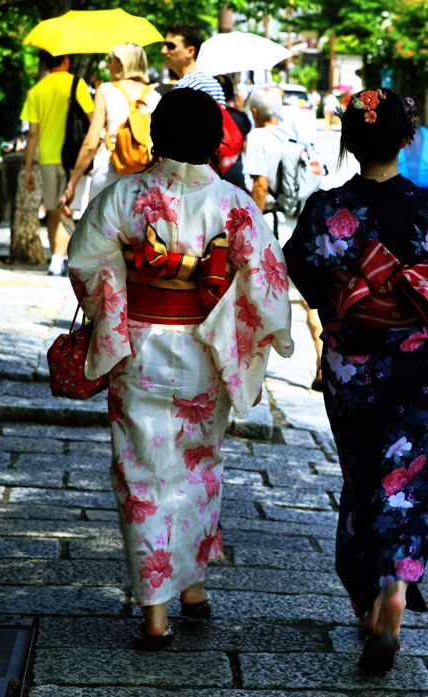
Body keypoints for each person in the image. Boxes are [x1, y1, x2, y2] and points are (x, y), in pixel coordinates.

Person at [282, 88, 428, 674]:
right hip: (417, 365)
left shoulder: (326, 208)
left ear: (349, 141)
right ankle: (397, 585)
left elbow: (301, 265)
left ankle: (367, 600)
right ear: (407, 139)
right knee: (405, 476)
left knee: (363, 478)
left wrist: (345, 301)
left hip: (352, 365)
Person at [66, 87, 294, 651]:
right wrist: (260, 335)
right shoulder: (234, 204)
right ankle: (190, 588)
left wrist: (115, 306)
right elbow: (267, 286)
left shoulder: (125, 196)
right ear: (216, 139)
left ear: (158, 135)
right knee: (198, 465)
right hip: (205, 351)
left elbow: (85, 261)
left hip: (138, 346)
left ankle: (158, 611)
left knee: (141, 474)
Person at [60, 43, 161, 217]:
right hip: (146, 176)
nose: (107, 65)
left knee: (100, 237)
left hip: (109, 171)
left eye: (109, 60)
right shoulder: (155, 96)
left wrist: (72, 183)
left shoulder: (106, 90)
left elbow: (91, 144)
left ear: (122, 63)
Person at [21, 50, 95, 276]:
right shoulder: (77, 84)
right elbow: (92, 119)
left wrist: (27, 170)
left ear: (44, 62)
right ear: (66, 60)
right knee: (68, 210)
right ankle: (58, 259)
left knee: (53, 210)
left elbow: (32, 134)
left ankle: (55, 260)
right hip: (73, 157)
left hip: (48, 158)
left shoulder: (36, 91)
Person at [244, 86, 288, 213]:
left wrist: (255, 222)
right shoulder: (290, 134)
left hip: (272, 216)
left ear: (255, 112)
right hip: (293, 212)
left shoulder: (256, 136)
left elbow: (261, 185)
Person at [160, 23, 226, 106]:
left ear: (190, 51)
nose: (163, 51)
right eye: (164, 45)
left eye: (171, 46)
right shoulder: (213, 84)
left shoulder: (185, 87)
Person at [215, 75, 252, 191]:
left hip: (212, 177)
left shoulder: (206, 117)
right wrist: (240, 110)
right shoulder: (239, 117)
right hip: (236, 177)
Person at [397, 104, 428, 188]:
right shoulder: (426, 132)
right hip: (425, 180)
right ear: (416, 119)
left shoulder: (396, 133)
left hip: (401, 182)